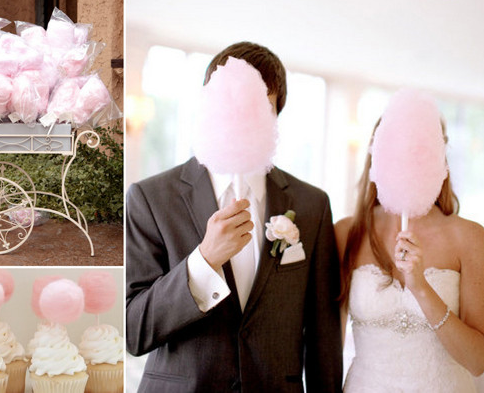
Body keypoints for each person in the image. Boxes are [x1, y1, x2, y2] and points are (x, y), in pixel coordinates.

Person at [126, 42, 343, 392]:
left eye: (258, 104)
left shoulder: (311, 205)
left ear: (275, 114)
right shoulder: (151, 198)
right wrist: (204, 260)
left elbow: (323, 334)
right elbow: (133, 331)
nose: (242, 114)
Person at [335, 119, 484, 392]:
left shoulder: (470, 237)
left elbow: (478, 361)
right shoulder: (346, 233)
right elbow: (326, 344)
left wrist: (420, 287)